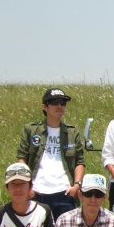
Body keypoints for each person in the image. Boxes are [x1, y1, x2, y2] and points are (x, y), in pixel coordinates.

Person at [17, 87, 85, 219]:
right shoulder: (31, 130)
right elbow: (21, 159)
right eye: (54, 103)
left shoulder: (72, 132)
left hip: (64, 193)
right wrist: (27, 186)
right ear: (45, 107)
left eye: (63, 103)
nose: (59, 106)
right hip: (37, 192)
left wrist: (77, 185)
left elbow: (80, 162)